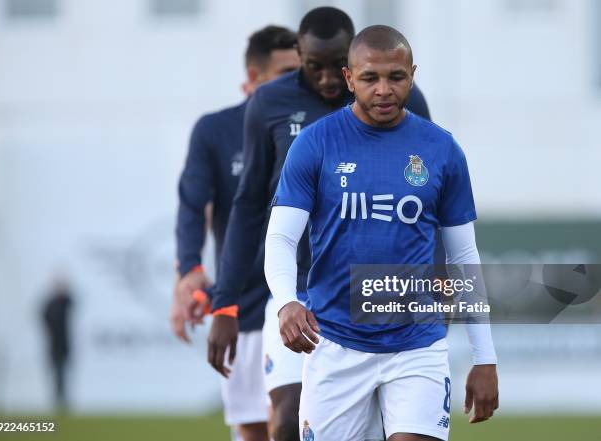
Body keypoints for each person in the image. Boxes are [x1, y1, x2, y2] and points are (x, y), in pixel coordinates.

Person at [206, 7, 432, 441]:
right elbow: (250, 203)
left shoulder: (399, 98)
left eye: (337, 67)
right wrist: (225, 303)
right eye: (314, 67)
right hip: (302, 292)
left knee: (384, 428)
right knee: (288, 416)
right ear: (299, 54)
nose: (328, 79)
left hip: (378, 294)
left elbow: (429, 200)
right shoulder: (269, 103)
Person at [264, 25, 499, 441]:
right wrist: (285, 302)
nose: (384, 89)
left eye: (396, 76)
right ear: (349, 78)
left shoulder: (442, 149)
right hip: (335, 343)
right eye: (370, 78)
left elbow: (464, 257)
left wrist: (485, 358)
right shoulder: (316, 145)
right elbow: (282, 238)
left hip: (417, 344)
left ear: (412, 74)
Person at [172, 26, 300, 441]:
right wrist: (189, 268)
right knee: (253, 427)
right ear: (254, 75)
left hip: (300, 298)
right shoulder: (215, 130)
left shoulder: (315, 124)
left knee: (298, 419)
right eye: (285, 72)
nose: (296, 82)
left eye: (301, 71)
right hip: (243, 300)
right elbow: (193, 205)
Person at [42, 276, 73, 412]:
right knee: (56, 374)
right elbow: (43, 317)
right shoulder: (51, 304)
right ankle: (57, 400)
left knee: (63, 374)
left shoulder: (64, 302)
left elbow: (71, 301)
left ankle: (63, 400)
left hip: (64, 344)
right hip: (54, 344)